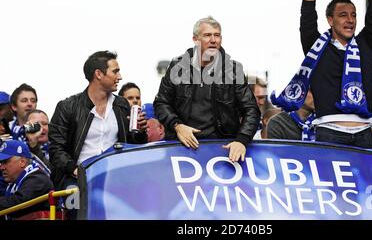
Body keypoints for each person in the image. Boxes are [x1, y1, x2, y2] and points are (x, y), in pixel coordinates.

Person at [271, 0, 372, 149]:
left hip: (364, 135)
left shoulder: (366, 44)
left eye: (353, 15)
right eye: (343, 15)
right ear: (330, 20)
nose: (350, 20)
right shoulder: (317, 46)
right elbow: (307, 12)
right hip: (329, 135)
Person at [153, 16, 260, 162]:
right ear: (195, 39)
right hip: (182, 148)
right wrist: (177, 126)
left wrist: (242, 140)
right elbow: (161, 103)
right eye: (207, 35)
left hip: (222, 149)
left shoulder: (233, 70)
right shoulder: (177, 67)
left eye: (217, 35)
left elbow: (251, 109)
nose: (213, 40)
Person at [48, 51, 148, 190]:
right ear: (99, 74)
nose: (120, 77)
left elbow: (133, 146)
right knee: (75, 204)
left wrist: (141, 132)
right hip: (77, 180)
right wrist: (76, 171)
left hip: (116, 178)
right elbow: (56, 149)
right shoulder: (68, 107)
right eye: (115, 72)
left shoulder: (122, 105)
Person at [0, 140, 54, 219]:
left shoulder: (38, 179)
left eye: (5, 162)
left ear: (22, 162)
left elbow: (17, 202)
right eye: (1, 163)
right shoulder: (13, 181)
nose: (1, 167)